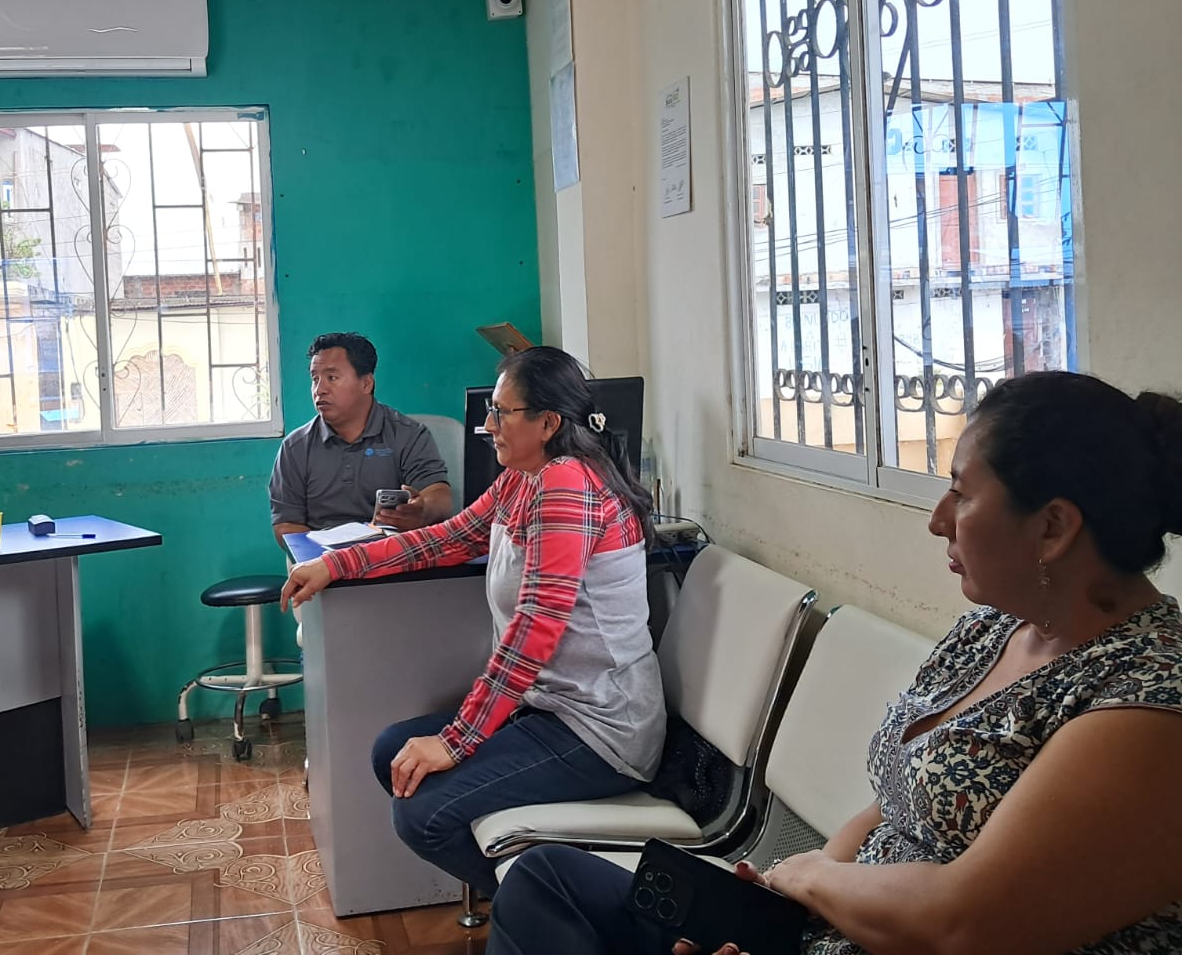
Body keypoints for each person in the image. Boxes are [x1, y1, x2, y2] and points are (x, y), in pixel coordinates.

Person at [485, 370, 1182, 955]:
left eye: (963, 493)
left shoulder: (1149, 698)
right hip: (832, 922)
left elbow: (962, 923)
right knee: (546, 883)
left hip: (884, 930)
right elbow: (891, 802)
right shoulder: (991, 632)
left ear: (1053, 527)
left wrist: (811, 882)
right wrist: (790, 895)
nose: (938, 518)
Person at [281, 345, 665, 899]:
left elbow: (535, 630)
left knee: (423, 817)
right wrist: (337, 563)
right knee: (391, 750)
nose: (488, 426)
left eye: (502, 413)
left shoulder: (568, 484)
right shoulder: (523, 479)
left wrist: (457, 742)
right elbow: (446, 540)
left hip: (600, 731)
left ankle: (559, 909)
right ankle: (536, 898)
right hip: (549, 709)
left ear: (548, 423)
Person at [269, 332, 454, 546]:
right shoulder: (295, 448)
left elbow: (439, 495)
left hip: (392, 553)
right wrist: (327, 558)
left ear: (366, 384)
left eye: (332, 378)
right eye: (315, 379)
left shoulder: (408, 435)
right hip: (322, 559)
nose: (319, 390)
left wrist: (422, 511)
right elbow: (286, 525)